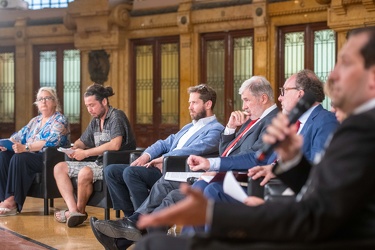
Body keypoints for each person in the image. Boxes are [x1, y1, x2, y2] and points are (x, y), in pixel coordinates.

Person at [130, 26, 375, 249]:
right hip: (305, 219)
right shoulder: (357, 125)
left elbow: (318, 215)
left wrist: (218, 214)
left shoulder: (359, 129)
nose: (332, 77)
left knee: (153, 245)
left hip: (317, 237)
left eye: (345, 63)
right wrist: (291, 161)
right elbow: (326, 191)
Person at [90, 76, 280, 249]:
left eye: (246, 100)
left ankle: (131, 230)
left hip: (233, 179)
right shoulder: (249, 121)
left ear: (262, 98)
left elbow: (252, 158)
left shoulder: (269, 121)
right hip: (208, 173)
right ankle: (128, 234)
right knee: (153, 185)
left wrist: (171, 160)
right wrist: (230, 129)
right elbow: (225, 152)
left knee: (166, 189)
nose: (243, 106)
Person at [100, 84, 224, 221]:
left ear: (208, 104)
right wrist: (146, 156)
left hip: (177, 172)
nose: (189, 107)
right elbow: (163, 143)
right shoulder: (189, 127)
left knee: (131, 173)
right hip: (163, 166)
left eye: (194, 103)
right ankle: (130, 218)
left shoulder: (216, 129)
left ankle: (140, 222)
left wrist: (164, 159)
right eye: (189, 103)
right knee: (111, 171)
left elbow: (194, 149)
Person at [54, 83, 136, 227]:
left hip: (113, 164)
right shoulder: (95, 121)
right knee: (59, 168)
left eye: (92, 105)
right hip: (98, 162)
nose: (89, 109)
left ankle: (78, 211)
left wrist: (85, 153)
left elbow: (115, 144)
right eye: (87, 106)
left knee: (86, 172)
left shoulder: (116, 116)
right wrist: (74, 149)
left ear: (104, 101)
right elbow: (82, 141)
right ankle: (74, 210)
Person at [0, 87, 69, 216]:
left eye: (47, 98)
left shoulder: (59, 120)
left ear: (55, 102)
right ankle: (4, 198)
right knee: (3, 155)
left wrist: (26, 148)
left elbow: (52, 142)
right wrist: (4, 144)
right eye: (40, 99)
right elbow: (16, 138)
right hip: (30, 157)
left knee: (19, 157)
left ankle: (12, 201)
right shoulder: (35, 121)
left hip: (48, 159)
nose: (43, 102)